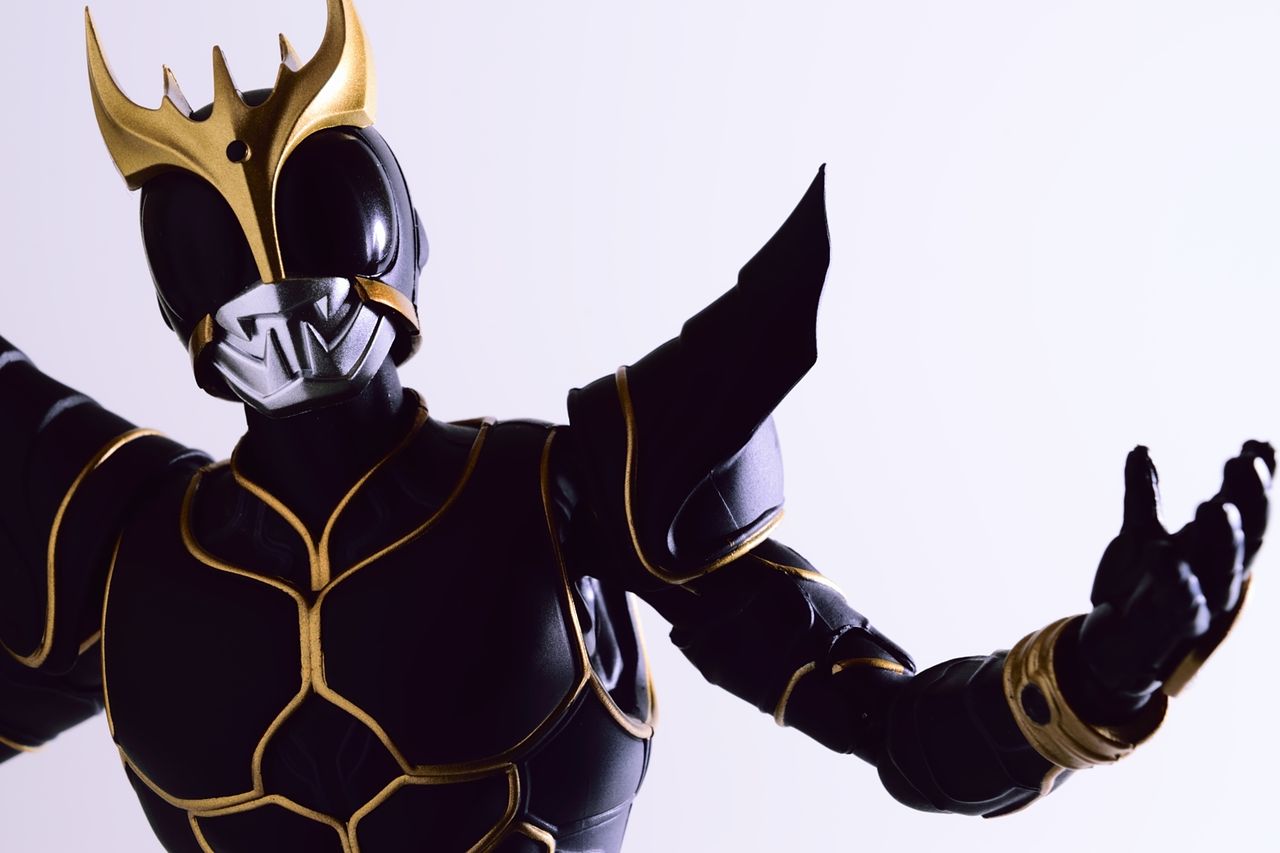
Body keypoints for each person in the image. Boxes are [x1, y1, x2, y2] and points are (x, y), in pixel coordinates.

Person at [0, 1, 1271, 850]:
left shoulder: (562, 496)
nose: (292, 324)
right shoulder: (117, 552)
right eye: (246, 301)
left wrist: (1089, 679)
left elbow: (886, 722)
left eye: (321, 280)